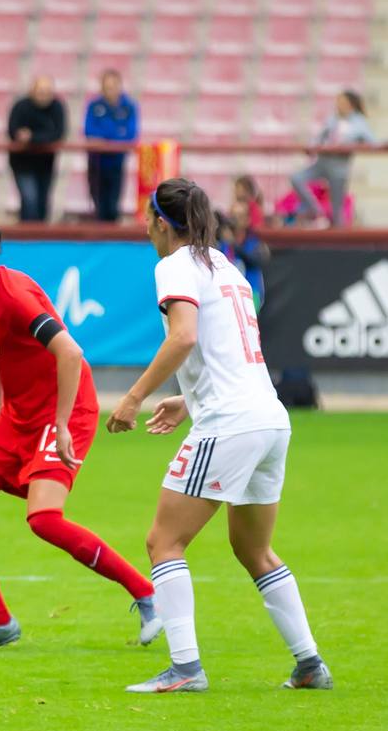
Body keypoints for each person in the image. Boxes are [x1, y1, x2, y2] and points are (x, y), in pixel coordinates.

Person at [108, 177, 331, 693]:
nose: (145, 226)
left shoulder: (174, 266)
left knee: (164, 541)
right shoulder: (226, 267)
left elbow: (184, 336)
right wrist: (188, 400)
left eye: (148, 217)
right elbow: (231, 350)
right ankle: (309, 664)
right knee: (254, 551)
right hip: (269, 419)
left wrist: (134, 395)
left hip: (231, 423)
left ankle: (185, 669)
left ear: (162, 222)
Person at [0, 210, 159, 650]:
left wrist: (60, 422)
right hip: (17, 417)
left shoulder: (14, 295)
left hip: (65, 413)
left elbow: (70, 353)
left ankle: (148, 595)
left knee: (43, 519)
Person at [289, 90, 375, 228]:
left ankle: (339, 242)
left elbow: (372, 142)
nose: (338, 104)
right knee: (296, 178)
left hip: (339, 169)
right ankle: (317, 211)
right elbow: (320, 137)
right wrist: (311, 147)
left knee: (337, 210)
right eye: (338, 101)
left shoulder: (359, 122)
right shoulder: (332, 118)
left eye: (342, 101)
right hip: (322, 162)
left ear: (350, 104)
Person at [7, 76, 66, 222]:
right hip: (22, 163)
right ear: (32, 91)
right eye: (40, 91)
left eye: (47, 92)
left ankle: (40, 239)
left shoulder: (57, 107)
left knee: (42, 202)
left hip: (46, 163)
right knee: (29, 200)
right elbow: (13, 131)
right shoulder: (21, 106)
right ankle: (26, 238)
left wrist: (32, 137)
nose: (44, 96)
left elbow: (58, 133)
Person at [82, 68, 138, 223]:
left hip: (117, 163)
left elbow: (130, 134)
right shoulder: (94, 106)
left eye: (113, 86)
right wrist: (115, 134)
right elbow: (89, 131)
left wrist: (106, 138)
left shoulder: (129, 107)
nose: (110, 90)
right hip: (96, 162)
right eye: (106, 87)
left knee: (113, 206)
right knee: (98, 206)